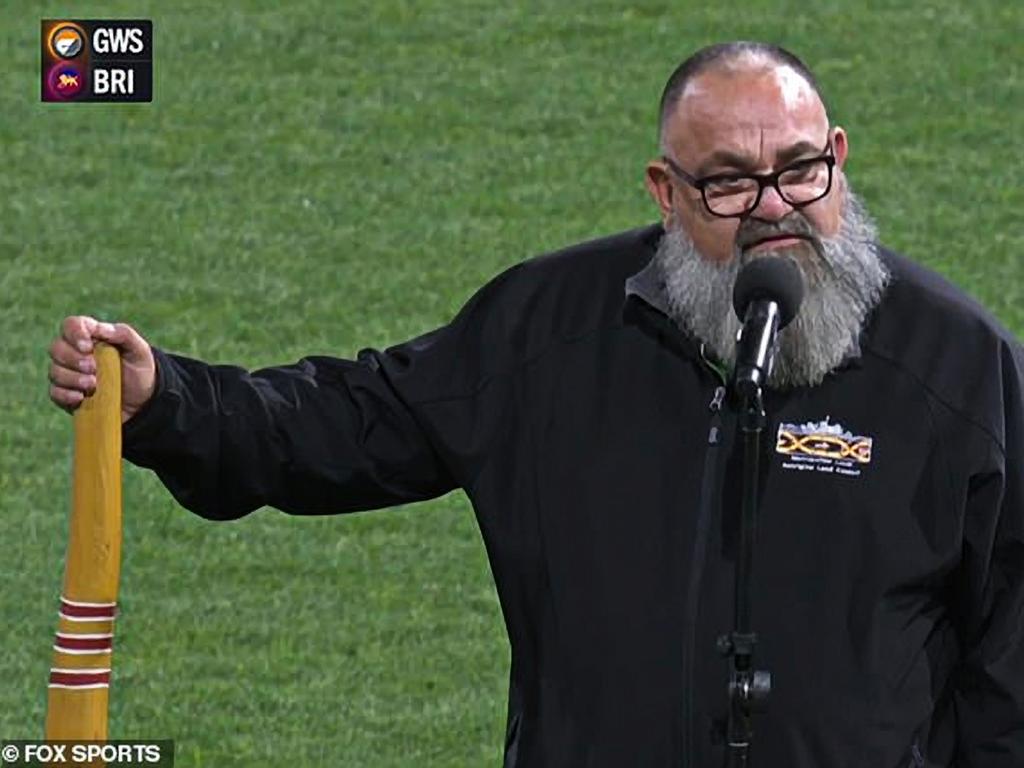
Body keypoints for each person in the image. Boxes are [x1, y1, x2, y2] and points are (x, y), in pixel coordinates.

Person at [47, 41, 1023, 766]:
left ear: (838, 159)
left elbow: (1011, 656)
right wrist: (168, 399)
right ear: (665, 193)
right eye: (726, 182)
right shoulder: (552, 334)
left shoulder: (954, 364)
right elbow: (354, 421)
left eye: (801, 170)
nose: (774, 206)